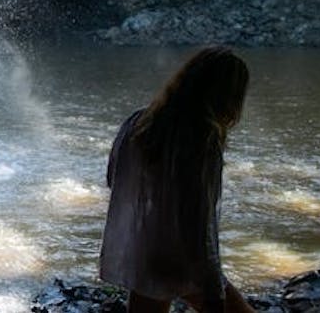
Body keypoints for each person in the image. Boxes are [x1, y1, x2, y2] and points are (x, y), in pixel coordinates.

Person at [99, 46, 255, 313]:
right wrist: (212, 283)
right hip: (185, 256)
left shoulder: (139, 122)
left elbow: (113, 178)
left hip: (146, 249)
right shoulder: (203, 139)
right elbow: (198, 216)